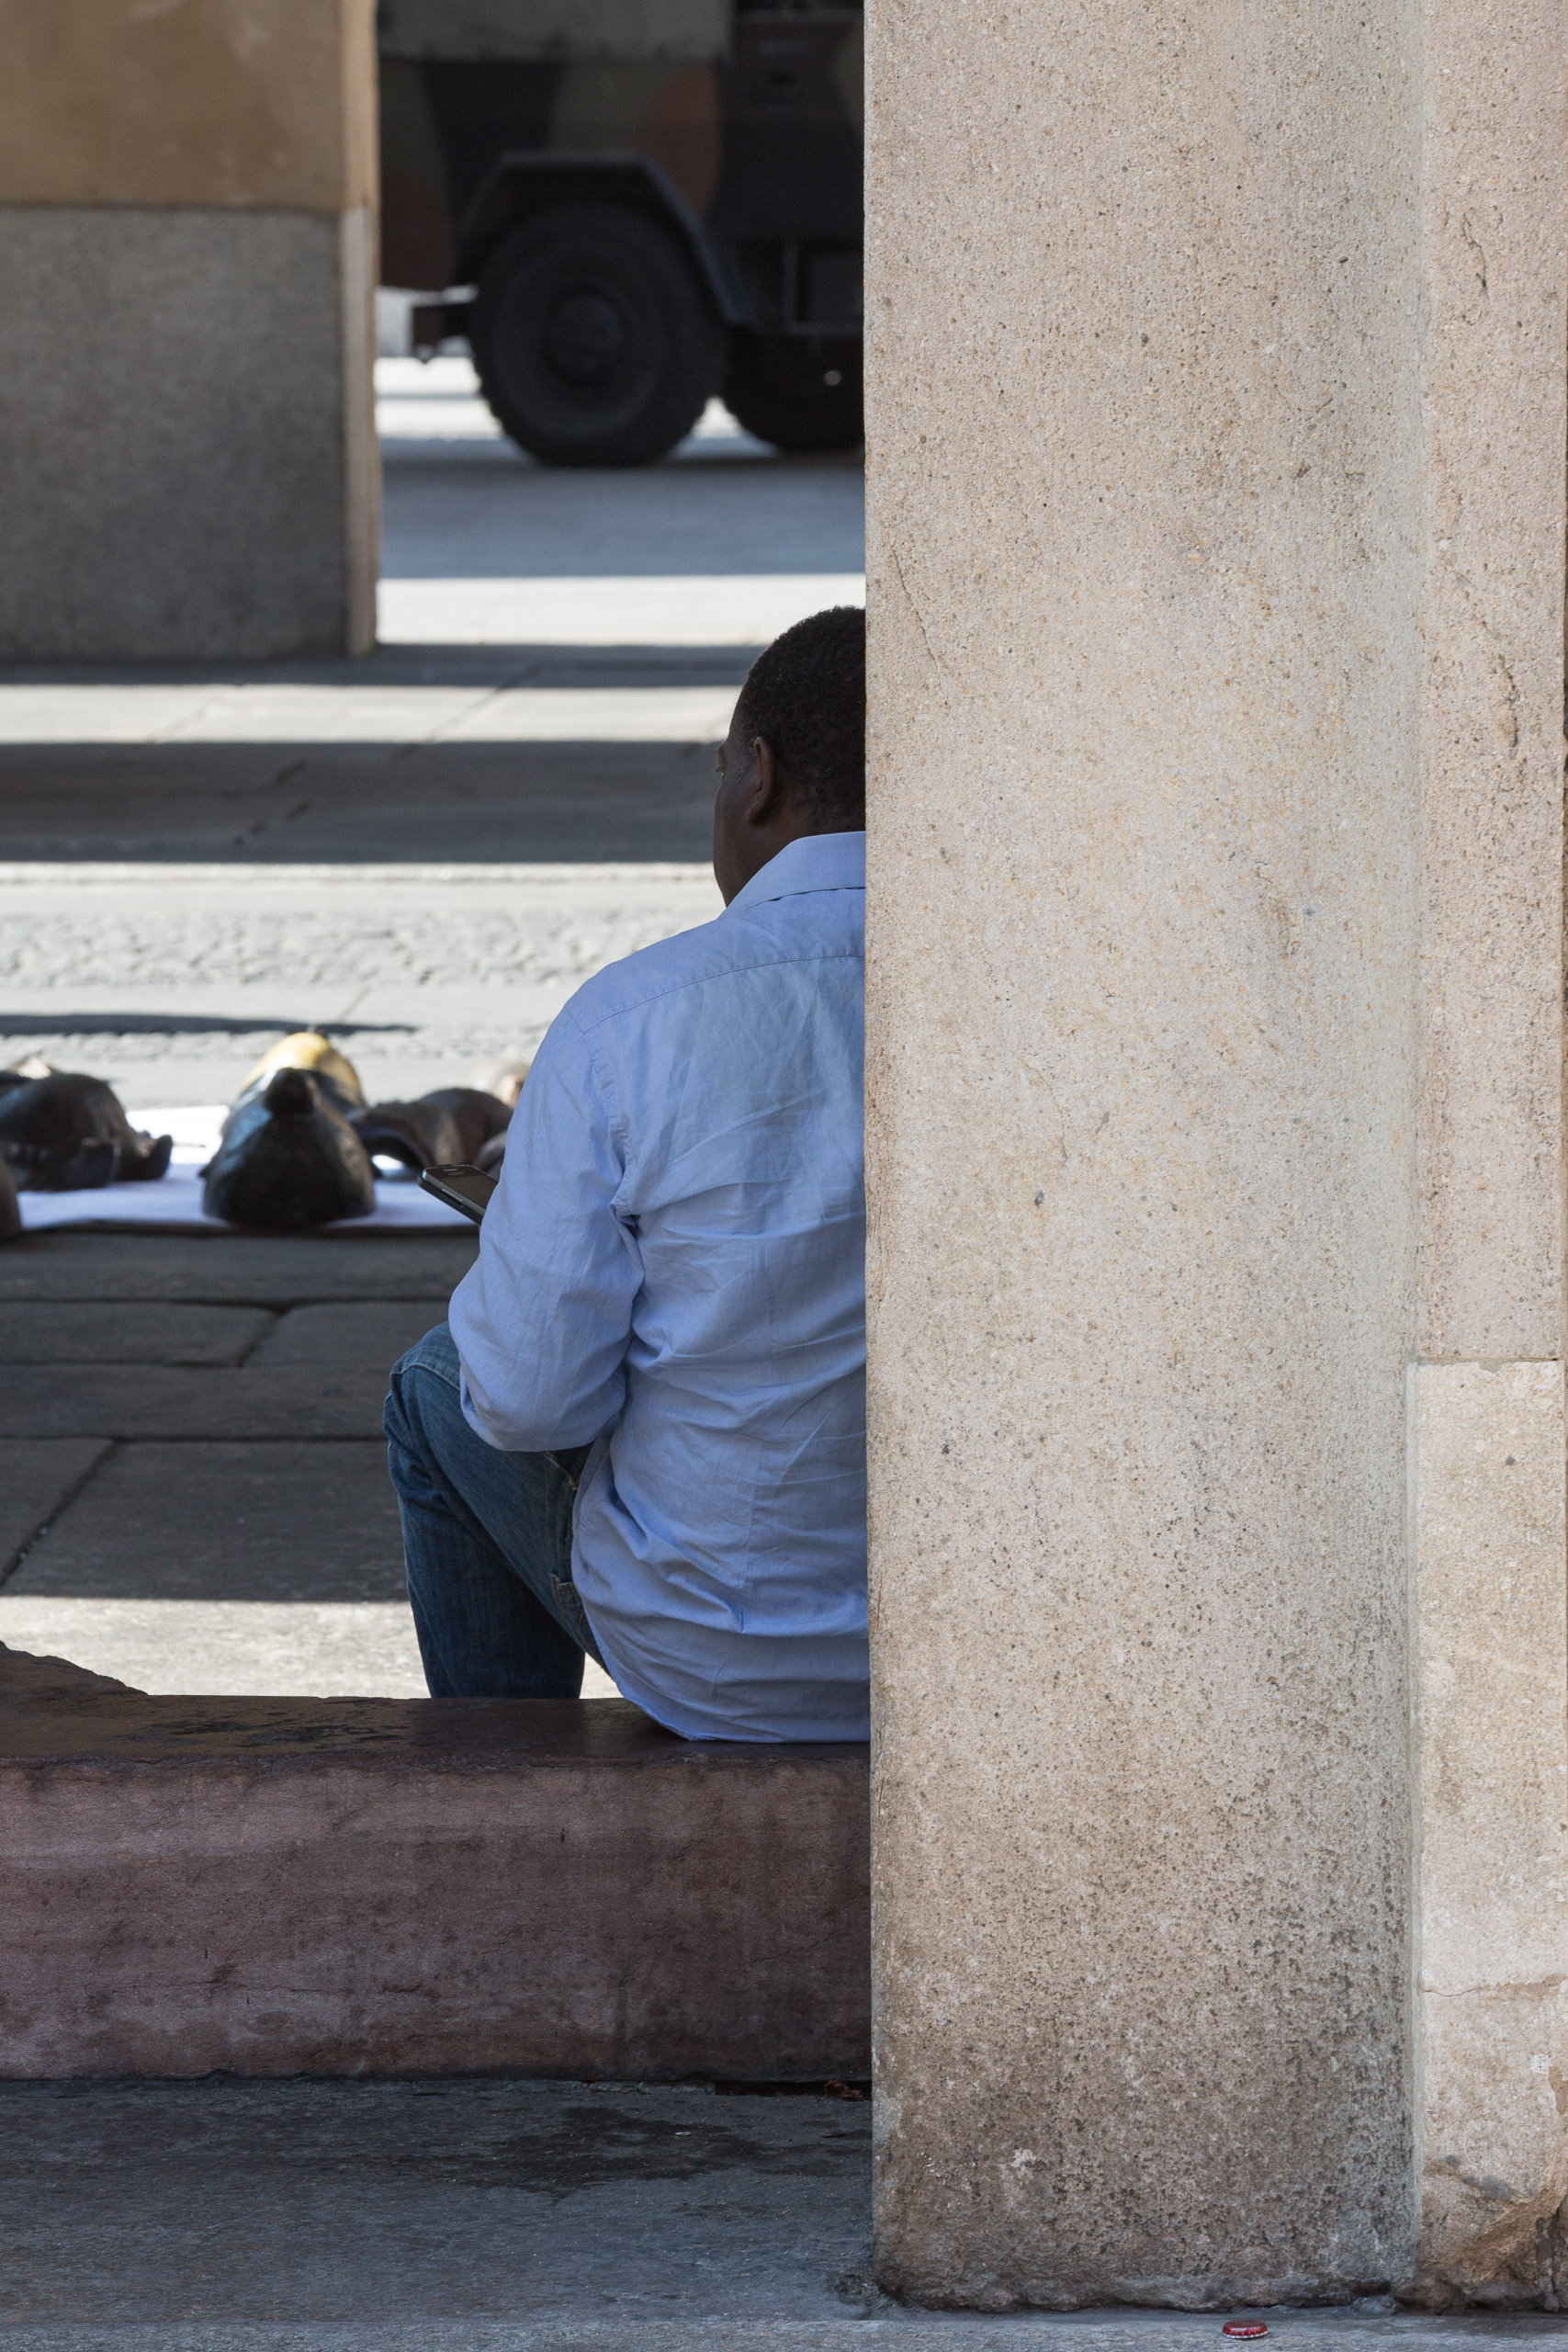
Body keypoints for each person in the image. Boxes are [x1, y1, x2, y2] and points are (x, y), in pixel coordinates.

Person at [383, 606, 868, 1742]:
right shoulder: (1054, 999)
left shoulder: (634, 1019)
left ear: (757, 776)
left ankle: (505, 1808)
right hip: (997, 1649)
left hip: (724, 1659)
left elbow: (525, 1400)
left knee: (437, 1379)